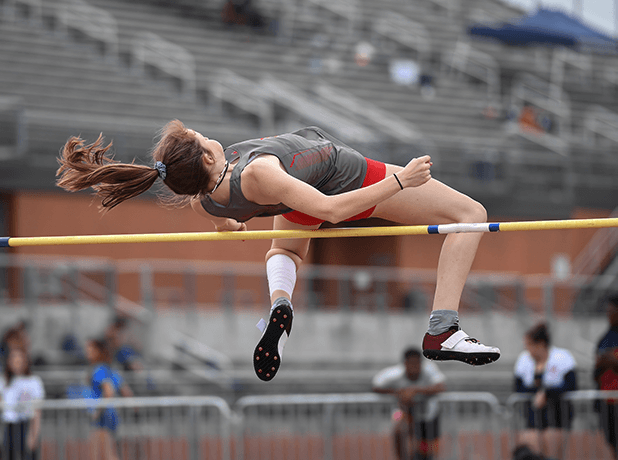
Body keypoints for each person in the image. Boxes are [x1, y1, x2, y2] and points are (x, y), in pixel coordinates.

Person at [56, 120, 500, 381]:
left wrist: (233, 223)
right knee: (470, 213)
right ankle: (443, 329)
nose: (207, 135)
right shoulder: (259, 172)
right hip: (346, 180)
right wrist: (401, 180)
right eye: (199, 135)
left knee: (285, 250)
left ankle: (280, 308)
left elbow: (230, 223)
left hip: (295, 194)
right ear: (207, 158)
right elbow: (329, 207)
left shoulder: (204, 199)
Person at [513, 323, 577, 460]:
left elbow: (571, 385)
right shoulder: (524, 360)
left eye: (529, 344)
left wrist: (547, 394)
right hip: (533, 416)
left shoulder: (562, 357)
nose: (526, 348)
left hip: (558, 415)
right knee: (530, 452)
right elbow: (518, 388)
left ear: (540, 344)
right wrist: (536, 393)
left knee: (552, 453)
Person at [373, 348, 446, 460]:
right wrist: (399, 392)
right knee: (398, 429)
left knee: (425, 448)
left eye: (416, 363)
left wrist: (414, 391)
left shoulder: (430, 371)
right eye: (410, 363)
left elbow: (441, 387)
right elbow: (376, 386)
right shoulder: (394, 373)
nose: (414, 367)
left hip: (427, 413)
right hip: (403, 411)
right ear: (404, 364)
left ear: (421, 363)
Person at [85, 339, 133, 460]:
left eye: (90, 349)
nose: (87, 352)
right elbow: (127, 392)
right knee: (109, 453)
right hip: (112, 415)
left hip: (102, 417)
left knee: (103, 454)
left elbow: (109, 391)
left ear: (98, 351)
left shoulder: (98, 370)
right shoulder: (111, 370)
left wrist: (98, 411)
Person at [1, 347, 45, 460]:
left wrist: (34, 434)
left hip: (26, 424)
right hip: (8, 425)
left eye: (20, 361)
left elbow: (37, 411)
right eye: (14, 361)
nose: (17, 364)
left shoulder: (34, 381)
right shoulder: (4, 381)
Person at [594, 293, 618, 460]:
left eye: (612, 311)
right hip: (607, 400)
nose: (609, 315)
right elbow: (597, 365)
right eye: (607, 311)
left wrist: (610, 359)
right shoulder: (605, 338)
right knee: (612, 440)